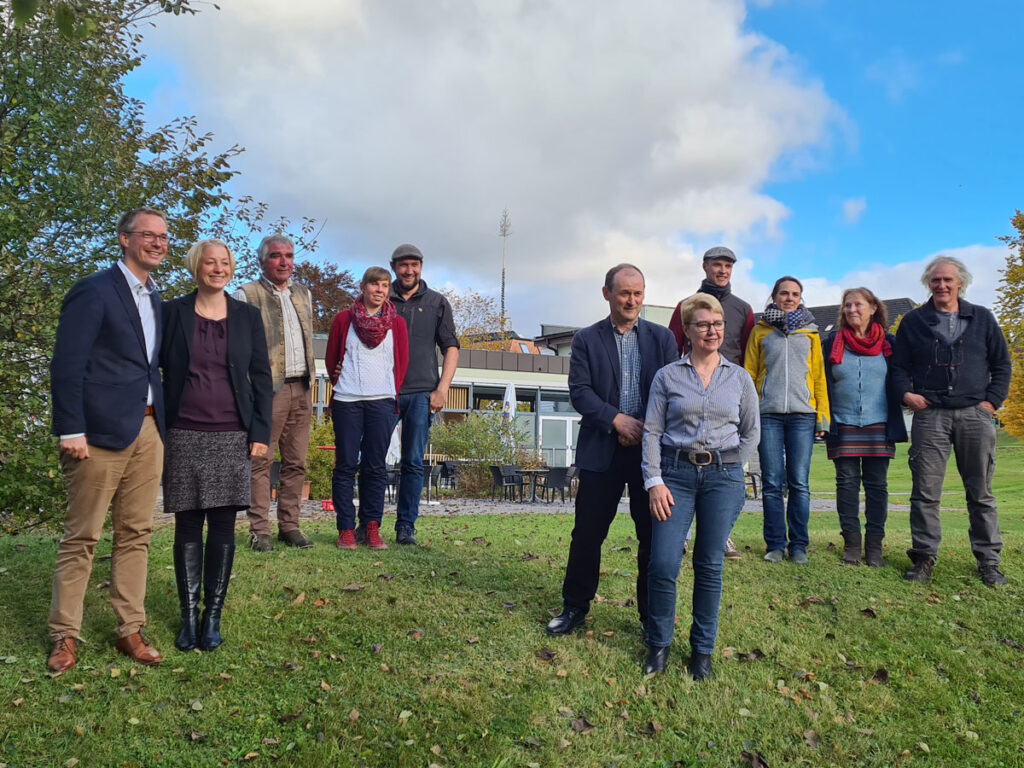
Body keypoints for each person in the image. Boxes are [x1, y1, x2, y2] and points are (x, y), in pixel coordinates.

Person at [47, 208, 168, 672]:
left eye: (163, 237)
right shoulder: (94, 290)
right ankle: (64, 636)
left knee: (136, 533)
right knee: (83, 536)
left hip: (148, 429)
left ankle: (129, 629)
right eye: (148, 235)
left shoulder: (156, 299)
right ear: (123, 239)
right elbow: (66, 365)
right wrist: (70, 427)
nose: (157, 243)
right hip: (95, 435)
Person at [545, 264, 678, 637]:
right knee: (587, 534)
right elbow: (580, 392)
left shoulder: (663, 339)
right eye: (624, 293)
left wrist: (643, 429)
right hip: (600, 449)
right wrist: (617, 420)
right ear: (607, 294)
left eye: (638, 293)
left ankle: (652, 616)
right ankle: (574, 607)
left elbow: (670, 393)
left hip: (649, 454)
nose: (632, 300)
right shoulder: (587, 339)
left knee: (652, 536)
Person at [161, 239, 273, 651]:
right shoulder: (171, 312)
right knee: (188, 523)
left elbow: (262, 378)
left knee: (223, 524)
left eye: (224, 263)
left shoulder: (247, 316)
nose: (218, 268)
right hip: (184, 431)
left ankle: (213, 617)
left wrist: (260, 433)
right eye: (210, 263)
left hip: (231, 432)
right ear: (196, 267)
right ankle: (188, 617)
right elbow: (154, 369)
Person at [642, 294, 759, 678]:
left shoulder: (739, 377)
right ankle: (658, 645)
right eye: (704, 324)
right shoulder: (668, 376)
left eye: (719, 324)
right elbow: (653, 432)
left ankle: (702, 652)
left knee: (709, 565)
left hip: (722, 479)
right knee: (662, 563)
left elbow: (750, 432)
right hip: (675, 476)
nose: (713, 331)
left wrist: (731, 466)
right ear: (688, 330)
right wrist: (654, 481)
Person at [891, 256, 1011, 586]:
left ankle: (988, 561)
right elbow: (898, 367)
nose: (941, 285)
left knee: (981, 493)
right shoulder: (914, 321)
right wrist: (907, 395)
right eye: (935, 280)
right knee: (925, 492)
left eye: (948, 280)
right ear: (928, 284)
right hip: (931, 416)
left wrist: (991, 402)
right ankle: (924, 557)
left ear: (961, 283)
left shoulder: (983, 319)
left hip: (975, 415)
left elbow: (1002, 364)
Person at [667, 245, 755, 560]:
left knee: (730, 472)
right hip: (690, 393)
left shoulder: (744, 310)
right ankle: (681, 535)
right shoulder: (685, 307)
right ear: (705, 267)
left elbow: (748, 354)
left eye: (728, 266)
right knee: (685, 466)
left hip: (728, 398)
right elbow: (672, 347)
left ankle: (723, 535)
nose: (722, 271)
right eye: (717, 265)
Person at [234, 235, 315, 552]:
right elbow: (237, 349)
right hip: (267, 390)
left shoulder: (303, 294)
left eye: (289, 256)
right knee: (261, 461)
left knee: (296, 462)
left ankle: (290, 526)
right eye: (276, 256)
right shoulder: (246, 295)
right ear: (262, 261)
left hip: (302, 387)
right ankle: (260, 530)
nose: (284, 262)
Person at [744, 276, 829, 564]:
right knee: (771, 482)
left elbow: (818, 377)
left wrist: (822, 417)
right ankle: (776, 545)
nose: (789, 298)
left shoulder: (812, 333)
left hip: (803, 416)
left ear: (800, 298)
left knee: (799, 482)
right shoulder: (760, 331)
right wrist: (751, 411)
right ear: (774, 296)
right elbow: (750, 374)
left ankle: (799, 545)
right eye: (784, 293)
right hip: (767, 416)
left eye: (794, 294)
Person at [325, 267, 409, 550]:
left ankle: (371, 527)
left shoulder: (396, 324)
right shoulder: (343, 320)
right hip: (347, 400)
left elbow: (402, 362)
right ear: (363, 287)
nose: (380, 290)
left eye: (385, 285)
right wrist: (341, 381)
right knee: (346, 465)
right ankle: (346, 528)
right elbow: (331, 359)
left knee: (375, 467)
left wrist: (390, 392)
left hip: (382, 402)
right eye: (375, 285)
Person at [822, 288, 907, 566]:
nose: (851, 310)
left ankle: (874, 547)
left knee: (877, 486)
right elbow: (822, 382)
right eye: (847, 305)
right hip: (843, 423)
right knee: (846, 485)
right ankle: (851, 544)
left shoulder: (889, 343)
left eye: (858, 304)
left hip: (879, 424)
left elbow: (899, 379)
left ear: (873, 308)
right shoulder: (832, 341)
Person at [385, 244, 460, 546]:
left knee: (413, 462)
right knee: (375, 461)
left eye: (414, 264)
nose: (409, 270)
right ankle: (370, 525)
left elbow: (451, 347)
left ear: (421, 267)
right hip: (383, 393)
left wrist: (442, 389)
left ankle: (406, 527)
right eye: (403, 265)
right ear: (393, 267)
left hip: (421, 394)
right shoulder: (380, 298)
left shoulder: (436, 302)